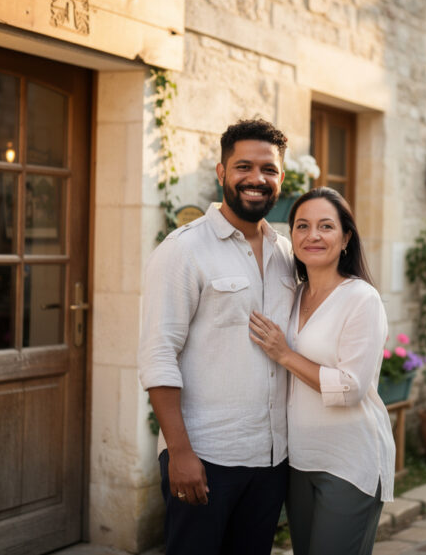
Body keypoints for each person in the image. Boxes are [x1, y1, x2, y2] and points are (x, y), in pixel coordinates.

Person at [137, 118, 296, 555]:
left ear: (281, 179)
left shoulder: (287, 254)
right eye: (243, 166)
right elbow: (157, 355)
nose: (256, 178)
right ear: (221, 173)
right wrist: (181, 453)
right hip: (205, 457)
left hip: (270, 460)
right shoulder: (183, 250)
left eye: (269, 169)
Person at [249, 187, 394, 555]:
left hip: (348, 460)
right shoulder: (294, 296)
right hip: (299, 460)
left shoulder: (362, 299)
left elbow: (351, 388)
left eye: (325, 226)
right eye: (302, 226)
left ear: (346, 238)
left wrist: (285, 355)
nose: (312, 235)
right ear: (292, 236)